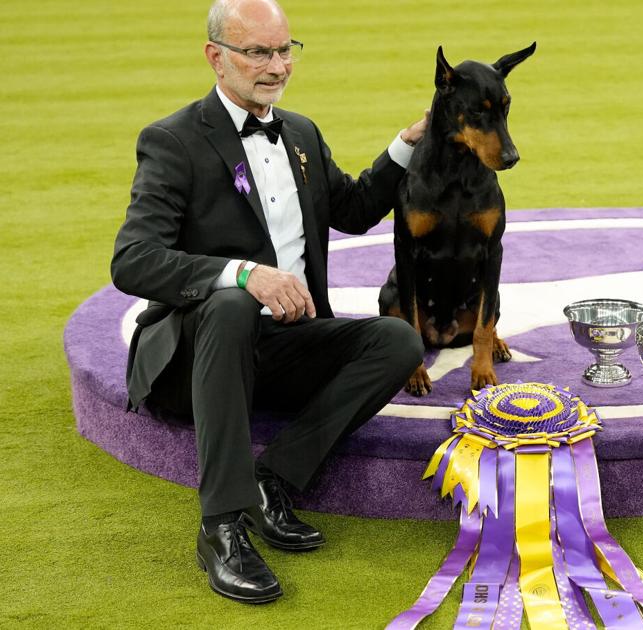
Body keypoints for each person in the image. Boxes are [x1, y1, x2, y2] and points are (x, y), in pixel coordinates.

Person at [111, 0, 425, 604]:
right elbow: (133, 260)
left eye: (285, 50)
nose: (277, 66)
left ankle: (271, 478)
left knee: (398, 340)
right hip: (195, 359)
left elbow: (355, 210)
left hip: (282, 349)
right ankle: (221, 526)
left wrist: (407, 144)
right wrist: (241, 274)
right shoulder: (172, 141)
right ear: (216, 57)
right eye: (258, 52)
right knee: (230, 304)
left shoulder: (300, 132)